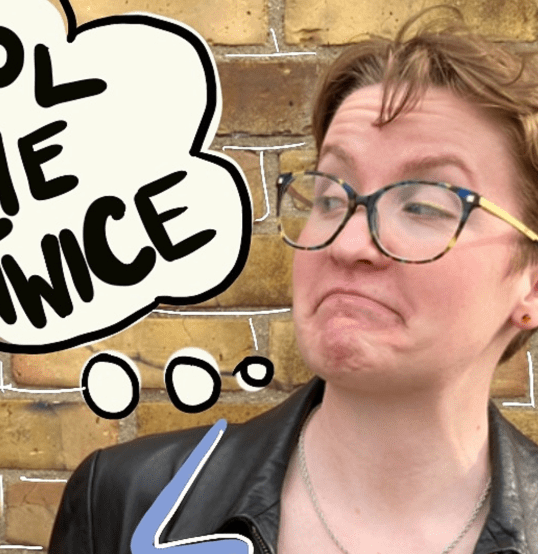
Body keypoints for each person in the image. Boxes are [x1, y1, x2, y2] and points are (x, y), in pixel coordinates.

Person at [48, 13, 538, 554]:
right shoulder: (125, 503)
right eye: (330, 197)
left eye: (423, 206)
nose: (348, 243)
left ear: (531, 284)